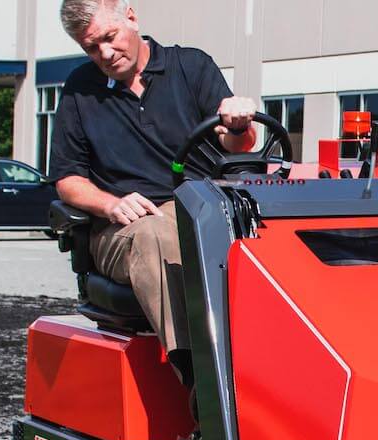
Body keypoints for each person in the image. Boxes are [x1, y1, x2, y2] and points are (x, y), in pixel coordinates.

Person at [49, 0, 258, 379]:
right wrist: (110, 204)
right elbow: (68, 180)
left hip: (198, 209)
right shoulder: (80, 91)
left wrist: (239, 123)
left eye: (109, 38)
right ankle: (203, 386)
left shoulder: (191, 67)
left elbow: (236, 143)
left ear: (130, 17)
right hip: (125, 227)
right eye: (91, 47)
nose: (105, 54)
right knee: (156, 233)